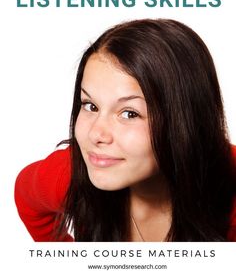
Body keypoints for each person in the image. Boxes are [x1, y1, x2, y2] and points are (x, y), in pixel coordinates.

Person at [15, 18, 236, 242]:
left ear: (184, 119)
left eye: (129, 113)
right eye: (90, 106)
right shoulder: (74, 173)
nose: (95, 135)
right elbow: (26, 197)